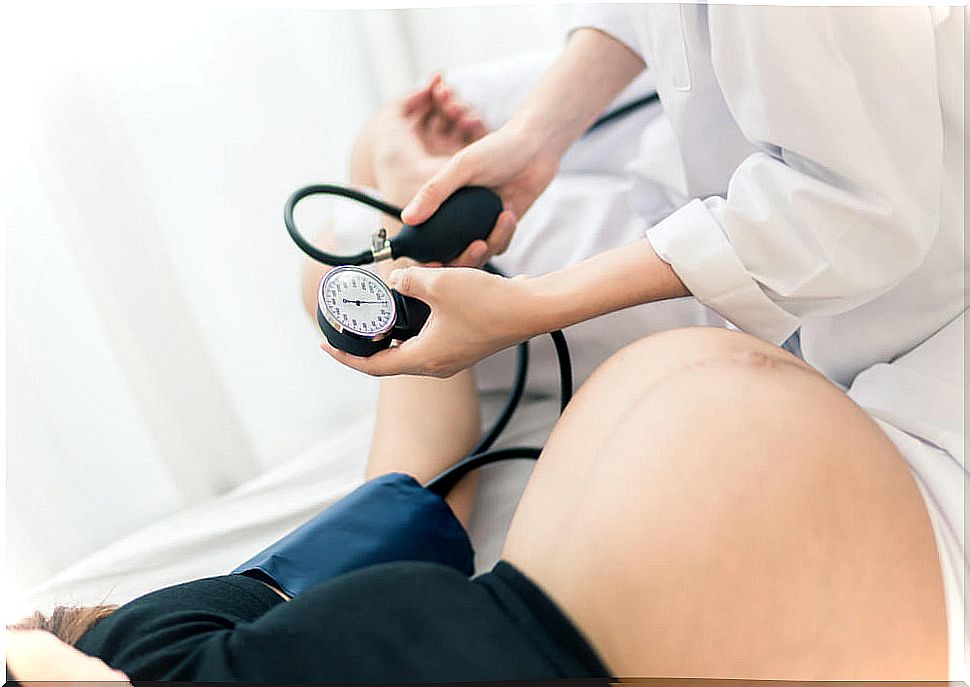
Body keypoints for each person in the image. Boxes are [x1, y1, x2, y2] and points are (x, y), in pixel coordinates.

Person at [320, 4, 966, 679]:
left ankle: (380, 554)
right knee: (376, 168)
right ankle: (386, 544)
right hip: (714, 169)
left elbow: (855, 215)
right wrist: (538, 135)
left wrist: (531, 307)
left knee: (360, 232)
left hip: (864, 274)